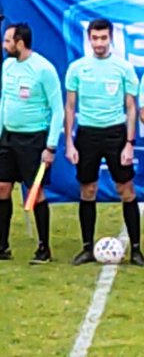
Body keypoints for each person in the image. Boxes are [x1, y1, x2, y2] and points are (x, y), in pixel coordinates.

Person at [0, 23, 63, 263]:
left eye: (7, 41)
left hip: (34, 139)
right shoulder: (8, 66)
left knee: (35, 193)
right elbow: (4, 101)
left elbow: (57, 110)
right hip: (8, 138)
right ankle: (2, 244)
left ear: (20, 43)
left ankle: (44, 247)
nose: (4, 47)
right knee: (0, 188)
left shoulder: (44, 69)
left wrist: (50, 147)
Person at [64, 19, 142, 266]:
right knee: (88, 190)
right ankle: (87, 247)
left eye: (103, 38)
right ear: (89, 39)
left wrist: (129, 143)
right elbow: (70, 107)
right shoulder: (77, 68)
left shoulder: (123, 68)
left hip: (116, 134)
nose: (99, 43)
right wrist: (69, 142)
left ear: (111, 38)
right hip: (87, 134)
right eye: (95, 38)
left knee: (125, 190)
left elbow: (131, 108)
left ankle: (137, 250)